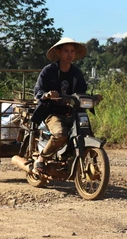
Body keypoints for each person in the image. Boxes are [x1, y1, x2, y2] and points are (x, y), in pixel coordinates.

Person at [32, 37, 88, 173]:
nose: (70, 54)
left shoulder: (76, 73)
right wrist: (47, 95)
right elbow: (38, 91)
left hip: (72, 112)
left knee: (85, 133)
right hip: (52, 112)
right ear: (59, 52)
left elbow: (82, 91)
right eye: (66, 51)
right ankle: (41, 158)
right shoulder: (48, 71)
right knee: (61, 134)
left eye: (72, 51)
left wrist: (94, 98)